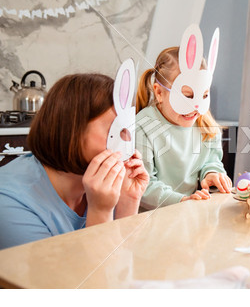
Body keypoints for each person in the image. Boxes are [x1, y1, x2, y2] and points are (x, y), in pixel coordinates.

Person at [0, 73, 149, 250]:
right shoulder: (9, 204)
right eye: (115, 130)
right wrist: (100, 212)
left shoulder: (103, 189)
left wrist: (128, 201)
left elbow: (124, 263)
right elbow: (88, 276)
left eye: (128, 129)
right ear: (71, 132)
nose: (127, 141)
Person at [136, 46, 232, 210]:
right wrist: (182, 200)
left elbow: (210, 160)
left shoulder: (205, 124)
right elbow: (143, 185)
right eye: (187, 96)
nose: (195, 107)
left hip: (187, 212)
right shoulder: (143, 127)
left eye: (204, 95)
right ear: (159, 93)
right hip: (150, 220)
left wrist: (211, 173)